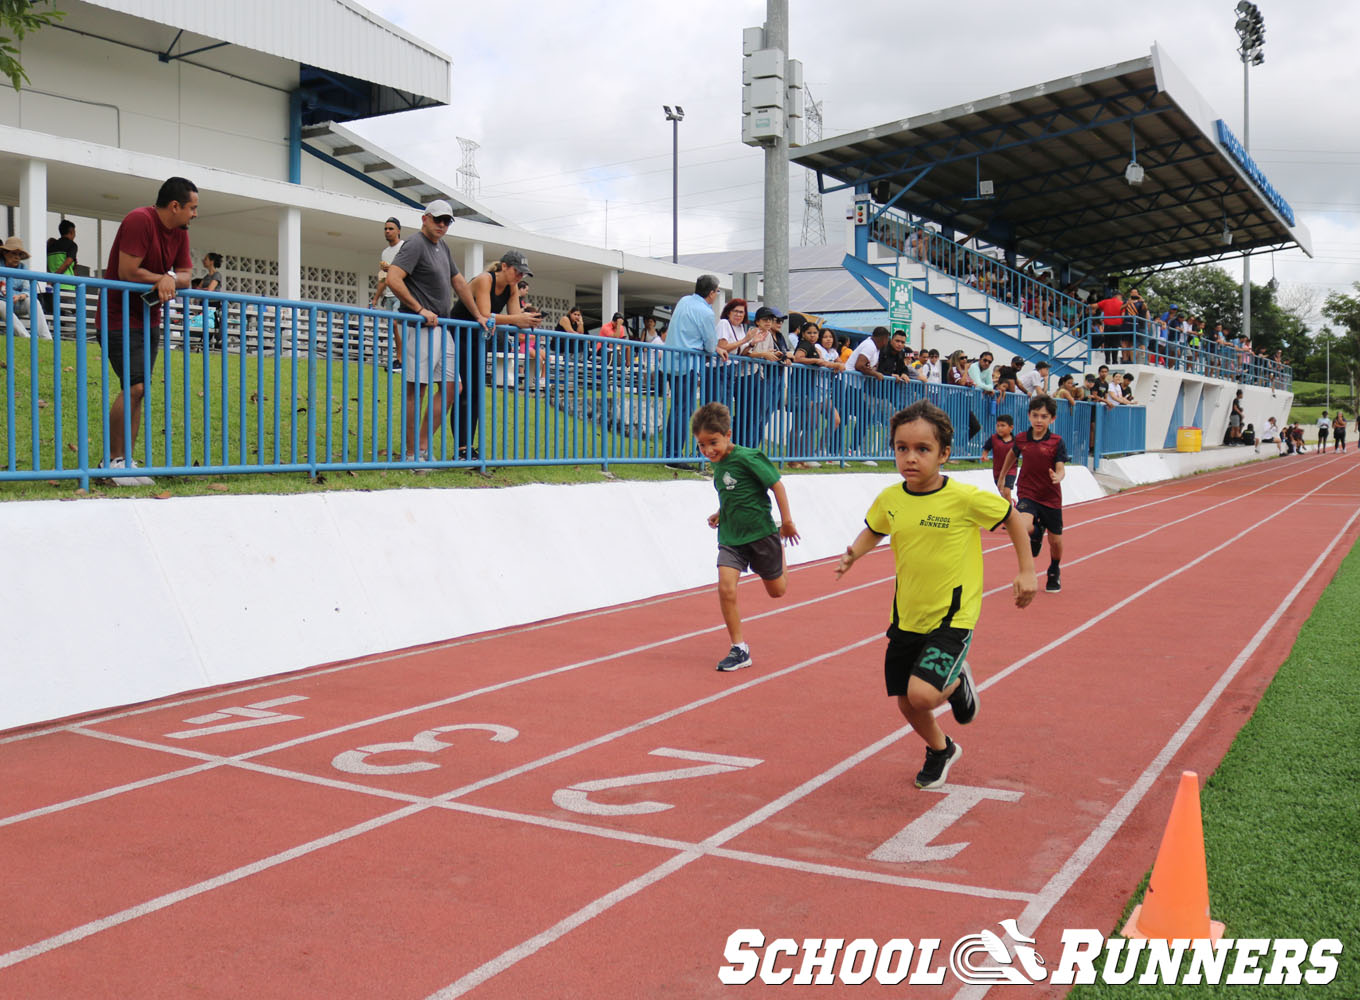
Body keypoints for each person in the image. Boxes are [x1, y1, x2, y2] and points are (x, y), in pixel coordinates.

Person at [835, 400, 1036, 789]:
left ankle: (957, 682)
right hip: (907, 615)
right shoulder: (891, 498)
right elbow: (875, 528)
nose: (910, 458)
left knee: (924, 694)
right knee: (907, 702)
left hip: (952, 617)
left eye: (922, 449)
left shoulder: (963, 498)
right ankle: (941, 749)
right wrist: (853, 554)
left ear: (944, 453)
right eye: (901, 448)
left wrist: (1026, 571)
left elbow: (1011, 518)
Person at [97, 177, 198, 485]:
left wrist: (166, 277)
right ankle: (111, 463)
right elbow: (127, 271)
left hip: (147, 316)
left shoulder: (180, 233)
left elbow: (186, 276)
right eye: (192, 208)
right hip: (117, 315)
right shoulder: (140, 219)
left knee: (138, 390)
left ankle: (125, 462)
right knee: (135, 387)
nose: (195, 214)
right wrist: (166, 278)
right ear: (175, 206)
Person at [692, 402, 799, 672]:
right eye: (701, 445)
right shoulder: (717, 464)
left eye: (712, 442)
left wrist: (786, 523)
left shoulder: (749, 457)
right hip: (731, 537)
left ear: (728, 435)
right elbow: (732, 493)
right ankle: (739, 648)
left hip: (762, 534)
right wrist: (720, 512)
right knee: (726, 588)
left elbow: (777, 485)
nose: (707, 451)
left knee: (778, 591)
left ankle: (780, 548)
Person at [383, 199, 491, 461]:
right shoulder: (415, 244)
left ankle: (420, 445)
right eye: (438, 219)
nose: (442, 225)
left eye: (446, 221)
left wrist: (478, 315)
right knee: (416, 391)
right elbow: (393, 279)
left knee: (454, 387)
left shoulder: (442, 247)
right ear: (425, 219)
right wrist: (419, 309)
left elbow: (460, 283)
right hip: (420, 327)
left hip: (443, 328)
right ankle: (411, 454)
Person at [449, 249, 541, 458]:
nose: (519, 277)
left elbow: (515, 317)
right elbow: (484, 314)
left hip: (478, 340)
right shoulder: (484, 280)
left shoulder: (512, 288)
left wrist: (530, 320)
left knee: (476, 394)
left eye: (522, 274)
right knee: (464, 393)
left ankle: (466, 448)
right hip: (458, 336)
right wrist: (519, 320)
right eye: (517, 272)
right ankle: (462, 450)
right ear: (504, 267)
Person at [996, 394, 1068, 595]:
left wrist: (1058, 476)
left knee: (1055, 541)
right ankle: (1036, 534)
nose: (1039, 420)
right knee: (1021, 525)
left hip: (1051, 497)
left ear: (1051, 419)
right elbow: (1012, 456)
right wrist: (1002, 479)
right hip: (1027, 492)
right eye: (1035, 415)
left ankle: (1054, 568)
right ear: (1029, 416)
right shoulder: (1021, 438)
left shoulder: (1056, 442)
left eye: (1044, 416)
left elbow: (1061, 467)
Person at [663, 274, 728, 466]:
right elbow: (710, 344)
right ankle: (674, 456)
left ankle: (670, 453)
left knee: (676, 409)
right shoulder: (706, 312)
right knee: (683, 411)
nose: (716, 295)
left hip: (671, 361)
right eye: (716, 292)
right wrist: (714, 347)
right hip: (689, 363)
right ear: (711, 293)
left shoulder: (684, 301)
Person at [0, 237, 54, 341]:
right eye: (14, 253)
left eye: (19, 254)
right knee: (1, 304)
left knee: (33, 301)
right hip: (2, 305)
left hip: (17, 302)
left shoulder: (23, 268)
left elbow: (27, 290)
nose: (17, 257)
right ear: (5, 253)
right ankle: (26, 338)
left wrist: (19, 296)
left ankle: (47, 339)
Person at [370, 217, 406, 366]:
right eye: (385, 229)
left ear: (398, 231)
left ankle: (401, 359)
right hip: (389, 296)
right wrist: (375, 298)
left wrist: (390, 268)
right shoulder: (385, 253)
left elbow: (406, 271)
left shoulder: (404, 247)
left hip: (401, 294)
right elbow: (383, 278)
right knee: (393, 327)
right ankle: (399, 357)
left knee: (398, 325)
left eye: (391, 229)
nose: (387, 231)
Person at [44, 219, 78, 320]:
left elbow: (47, 265)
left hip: (53, 286)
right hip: (67, 285)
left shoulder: (51, 246)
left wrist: (52, 278)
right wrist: (56, 277)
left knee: (56, 315)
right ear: (71, 231)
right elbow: (68, 262)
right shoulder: (72, 245)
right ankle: (70, 336)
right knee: (70, 315)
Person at [984, 413, 1016, 493]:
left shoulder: (1016, 441)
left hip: (1011, 470)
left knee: (1006, 490)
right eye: (998, 425)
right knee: (1001, 491)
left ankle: (1010, 505)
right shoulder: (993, 438)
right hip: (997, 471)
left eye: (1002, 426)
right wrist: (984, 456)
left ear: (1011, 427)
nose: (999, 428)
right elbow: (986, 448)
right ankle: (1010, 503)